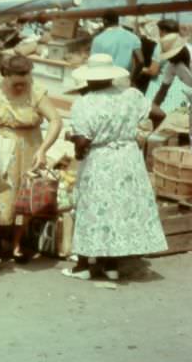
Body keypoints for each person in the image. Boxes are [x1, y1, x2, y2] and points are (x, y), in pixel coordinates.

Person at [63, 54, 167, 280]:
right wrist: (142, 134)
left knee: (94, 209)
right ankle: (111, 266)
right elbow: (159, 113)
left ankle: (85, 267)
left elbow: (83, 141)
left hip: (101, 159)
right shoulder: (131, 95)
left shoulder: (85, 102)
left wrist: (75, 146)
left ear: (89, 79)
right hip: (128, 157)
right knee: (118, 209)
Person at [0, 55, 62, 259]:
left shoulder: (36, 92)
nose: (20, 87)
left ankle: (16, 243)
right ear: (4, 76)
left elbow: (56, 121)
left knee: (21, 196)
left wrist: (43, 149)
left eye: (24, 82)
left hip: (26, 146)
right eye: (16, 83)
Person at [152, 34, 192, 144]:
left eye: (171, 56)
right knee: (186, 134)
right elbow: (163, 90)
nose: (169, 59)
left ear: (180, 52)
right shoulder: (172, 65)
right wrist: (153, 107)